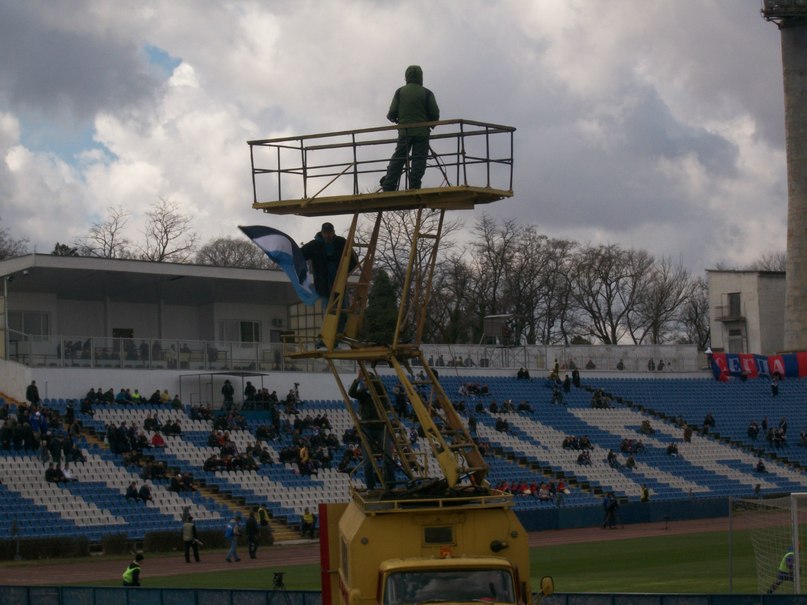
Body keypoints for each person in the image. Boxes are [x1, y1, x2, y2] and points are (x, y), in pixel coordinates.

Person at [380, 65, 440, 192]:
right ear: (421, 77)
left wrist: (399, 121)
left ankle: (389, 184)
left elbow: (392, 114)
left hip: (404, 132)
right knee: (419, 158)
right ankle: (414, 185)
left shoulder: (400, 92)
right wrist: (429, 124)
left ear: (406, 77)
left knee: (399, 158)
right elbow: (435, 114)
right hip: (422, 132)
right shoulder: (427, 93)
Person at [349, 372, 396, 490]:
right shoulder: (363, 395)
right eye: (365, 381)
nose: (366, 383)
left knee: (388, 459)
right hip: (367, 429)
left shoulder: (380, 392)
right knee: (367, 462)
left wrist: (370, 381)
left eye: (368, 381)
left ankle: (390, 485)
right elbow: (351, 393)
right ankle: (370, 487)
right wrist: (358, 380)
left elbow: (381, 387)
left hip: (381, 428)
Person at [301, 222, 359, 308]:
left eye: (330, 233)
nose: (328, 236)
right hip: (324, 286)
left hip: (339, 284)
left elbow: (354, 259)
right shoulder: (314, 245)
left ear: (333, 232)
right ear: (322, 233)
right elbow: (300, 255)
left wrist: (345, 272)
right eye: (325, 233)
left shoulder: (341, 243)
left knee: (341, 309)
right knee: (329, 310)